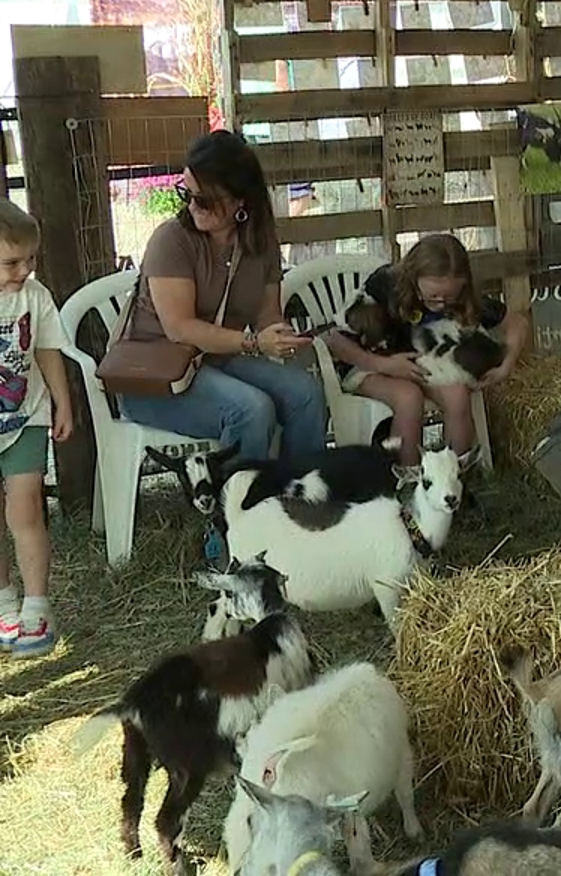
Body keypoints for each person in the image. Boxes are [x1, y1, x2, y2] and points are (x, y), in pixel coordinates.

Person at [116, 130, 324, 466]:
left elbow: (267, 315)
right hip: (157, 373)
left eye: (205, 199)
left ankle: (301, 501)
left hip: (218, 360)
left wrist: (281, 336)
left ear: (240, 198)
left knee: (306, 393)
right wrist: (256, 343)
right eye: (187, 193)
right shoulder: (172, 239)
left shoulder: (260, 241)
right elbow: (179, 328)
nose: (192, 205)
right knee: (252, 409)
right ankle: (235, 512)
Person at [323, 233, 529, 465]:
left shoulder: (462, 297)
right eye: (433, 296)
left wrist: (506, 366)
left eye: (449, 296)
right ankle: (406, 484)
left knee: (458, 395)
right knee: (408, 398)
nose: (441, 303)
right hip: (367, 364)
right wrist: (387, 365)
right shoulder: (385, 284)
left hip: (422, 365)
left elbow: (517, 323)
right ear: (413, 278)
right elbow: (335, 341)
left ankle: (451, 481)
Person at [0, 200, 72, 658]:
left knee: (25, 510)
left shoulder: (35, 296)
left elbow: (47, 349)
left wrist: (63, 402)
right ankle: (4, 599)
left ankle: (37, 605)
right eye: (11, 262)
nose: (24, 269)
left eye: (30, 260)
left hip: (25, 416)